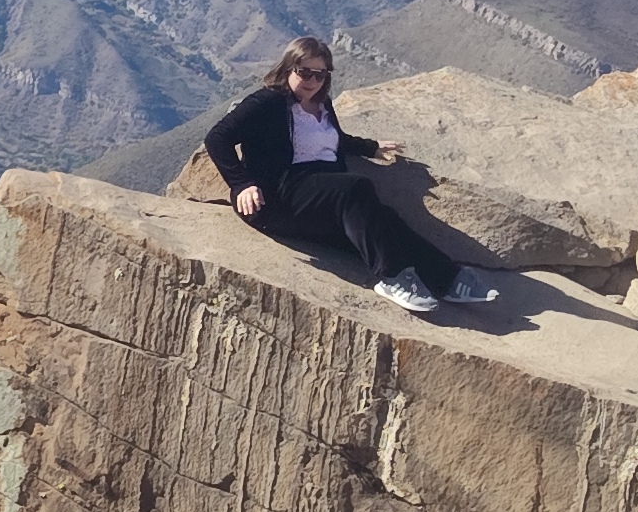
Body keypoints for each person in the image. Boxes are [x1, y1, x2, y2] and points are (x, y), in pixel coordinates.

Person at [202, 35, 497, 317]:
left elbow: (335, 139)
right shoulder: (267, 102)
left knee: (386, 220)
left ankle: (448, 279)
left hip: (321, 195)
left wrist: (371, 147)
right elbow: (217, 138)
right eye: (305, 73)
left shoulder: (322, 104)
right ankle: (392, 278)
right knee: (356, 188)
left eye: (320, 74)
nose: (312, 81)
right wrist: (242, 184)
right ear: (288, 68)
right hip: (277, 197)